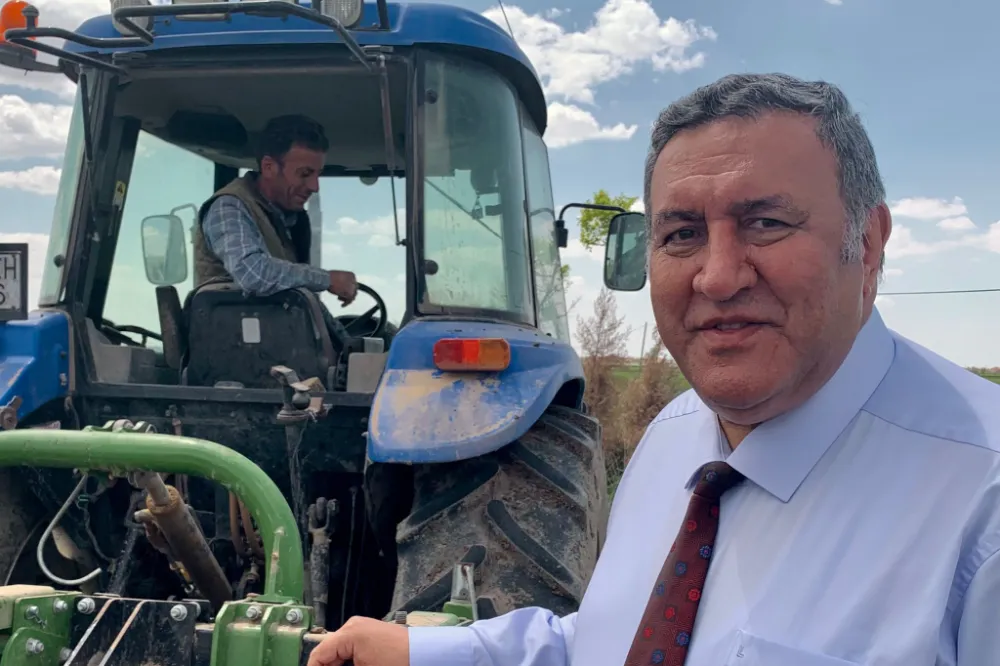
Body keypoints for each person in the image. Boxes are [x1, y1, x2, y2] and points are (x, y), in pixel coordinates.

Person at [305, 73, 1000, 666]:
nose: (718, 277)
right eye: (682, 234)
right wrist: (424, 650)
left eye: (766, 223)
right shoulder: (674, 438)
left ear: (868, 243)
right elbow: (613, 642)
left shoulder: (982, 506)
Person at [193, 114, 358, 315]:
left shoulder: (291, 220)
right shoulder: (228, 207)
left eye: (317, 174)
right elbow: (253, 275)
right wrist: (327, 279)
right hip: (230, 333)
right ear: (269, 167)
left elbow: (296, 294)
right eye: (305, 174)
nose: (314, 186)